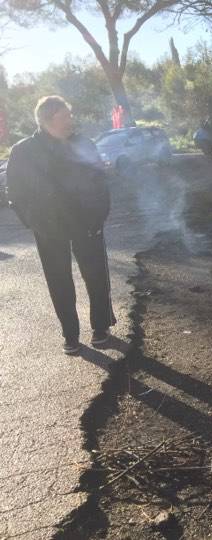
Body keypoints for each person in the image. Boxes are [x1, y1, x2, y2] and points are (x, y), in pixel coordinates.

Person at [6, 95, 115, 355]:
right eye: (65, 115)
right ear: (47, 119)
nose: (71, 120)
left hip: (87, 224)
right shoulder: (23, 150)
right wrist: (33, 222)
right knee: (59, 282)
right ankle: (70, 335)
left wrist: (99, 216)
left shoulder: (83, 143)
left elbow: (100, 181)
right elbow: (15, 192)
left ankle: (101, 328)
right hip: (49, 228)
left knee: (97, 277)